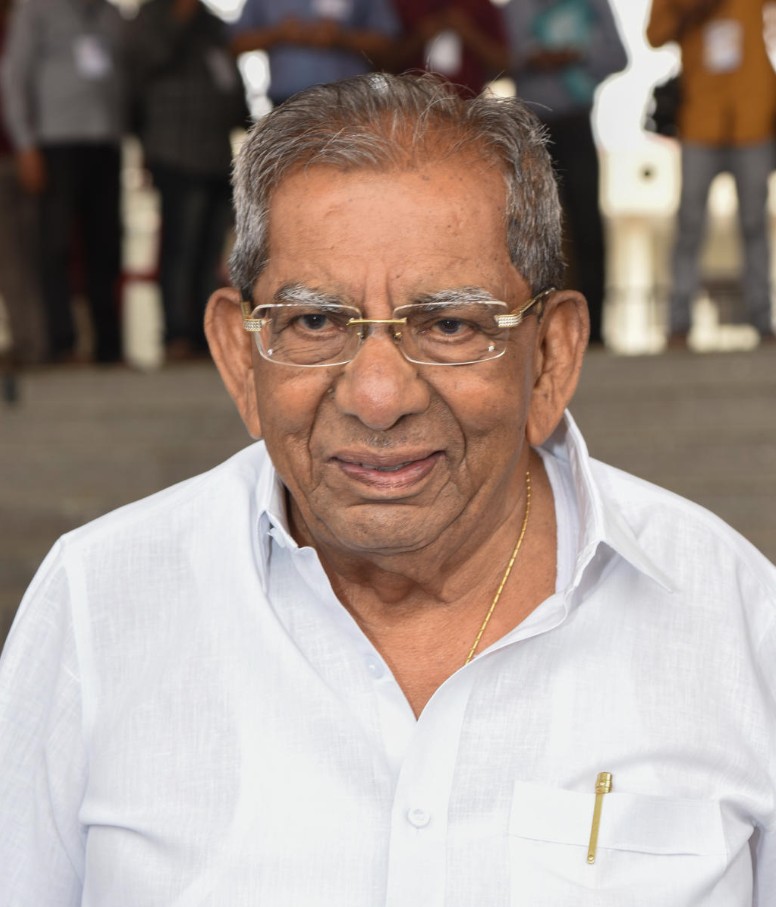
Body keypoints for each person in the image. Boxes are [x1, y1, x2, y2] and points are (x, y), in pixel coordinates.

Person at [1, 72, 776, 904]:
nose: (378, 395)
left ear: (551, 358)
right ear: (240, 357)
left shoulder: (733, 619)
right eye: (314, 322)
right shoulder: (97, 604)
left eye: (449, 324)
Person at [1, 0, 126, 364]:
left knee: (106, 244)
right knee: (55, 244)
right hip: (55, 142)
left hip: (105, 141)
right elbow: (14, 76)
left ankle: (108, 345)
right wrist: (25, 144)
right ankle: (62, 342)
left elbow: (124, 75)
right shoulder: (35, 10)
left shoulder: (110, 13)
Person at [646, 0, 776, 348]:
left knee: (755, 224)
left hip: (753, 119)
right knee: (689, 225)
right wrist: (694, 10)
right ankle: (679, 323)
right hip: (699, 121)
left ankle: (763, 321)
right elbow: (654, 35)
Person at [126, 0, 250, 361]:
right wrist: (180, 16)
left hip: (216, 154)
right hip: (174, 152)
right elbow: (145, 64)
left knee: (210, 251)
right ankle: (177, 334)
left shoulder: (211, 22)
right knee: (180, 248)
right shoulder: (151, 17)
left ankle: (204, 335)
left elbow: (229, 77)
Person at [504, 0, 626, 346]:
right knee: (529, 233)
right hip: (530, 128)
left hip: (576, 123)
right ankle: (531, 332)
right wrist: (531, 58)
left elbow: (617, 56)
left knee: (587, 228)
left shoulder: (591, 5)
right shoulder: (517, 7)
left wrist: (576, 56)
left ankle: (594, 330)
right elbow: (497, 57)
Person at [229, 0, 399, 108]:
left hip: (350, 101)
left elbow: (388, 43)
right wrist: (277, 35)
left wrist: (342, 38)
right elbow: (235, 44)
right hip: (287, 102)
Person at [0, 0, 44, 368]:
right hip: (21, 154)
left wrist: (26, 148)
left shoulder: (30, 24)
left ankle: (35, 343)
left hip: (24, 156)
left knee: (21, 254)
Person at [388, 0, 509, 95]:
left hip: (468, 105)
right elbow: (384, 63)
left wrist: (469, 33)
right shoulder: (403, 4)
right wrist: (418, 38)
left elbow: (504, 63)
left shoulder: (480, 4)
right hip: (412, 103)